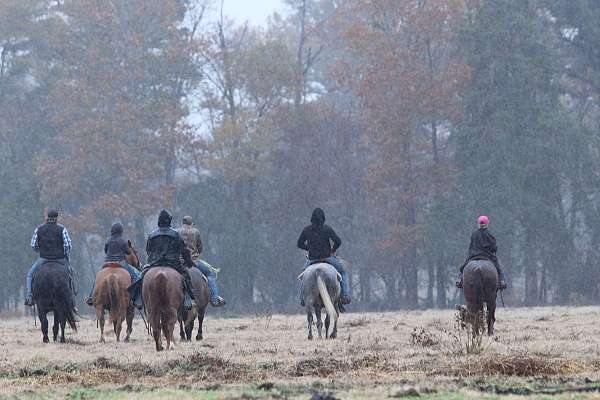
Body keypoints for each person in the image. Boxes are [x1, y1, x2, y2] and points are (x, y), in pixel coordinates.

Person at [127, 209, 196, 310]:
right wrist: (189, 262)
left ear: (159, 221)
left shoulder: (152, 234)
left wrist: (153, 259)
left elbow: (148, 250)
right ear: (169, 221)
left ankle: (138, 299)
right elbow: (184, 250)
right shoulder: (176, 234)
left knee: (141, 277)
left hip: (155, 263)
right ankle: (188, 299)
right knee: (186, 277)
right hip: (173, 264)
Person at [297, 208, 351, 306]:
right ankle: (345, 295)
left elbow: (299, 243)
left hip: (312, 260)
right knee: (343, 271)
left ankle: (302, 298)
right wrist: (333, 249)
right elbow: (338, 241)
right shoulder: (327, 229)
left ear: (312, 218)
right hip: (327, 258)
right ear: (323, 218)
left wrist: (308, 248)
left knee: (303, 276)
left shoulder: (307, 230)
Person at [25, 209, 74, 307]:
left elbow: (33, 245)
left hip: (44, 259)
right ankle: (71, 300)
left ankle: (29, 296)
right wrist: (66, 256)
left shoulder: (39, 229)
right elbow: (68, 245)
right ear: (56, 218)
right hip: (60, 259)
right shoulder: (62, 229)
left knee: (30, 274)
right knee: (71, 274)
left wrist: (40, 251)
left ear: (47, 217)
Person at [84, 222, 141, 306]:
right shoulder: (123, 241)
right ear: (121, 231)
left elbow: (106, 251)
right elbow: (129, 253)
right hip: (120, 263)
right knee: (137, 276)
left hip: (108, 262)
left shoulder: (108, 240)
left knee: (98, 278)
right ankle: (136, 299)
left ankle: (91, 297)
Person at [177, 216, 226, 307]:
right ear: (191, 224)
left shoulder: (177, 232)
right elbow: (200, 248)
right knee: (210, 273)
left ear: (182, 223)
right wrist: (195, 254)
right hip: (194, 261)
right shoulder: (196, 232)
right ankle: (214, 298)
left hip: (179, 262)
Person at [456, 215, 507, 290]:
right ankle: (502, 281)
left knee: (463, 267)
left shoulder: (474, 234)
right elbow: (494, 248)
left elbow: (471, 247)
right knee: (498, 268)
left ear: (478, 224)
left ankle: (460, 280)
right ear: (487, 224)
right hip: (487, 256)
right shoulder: (489, 235)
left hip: (474, 255)